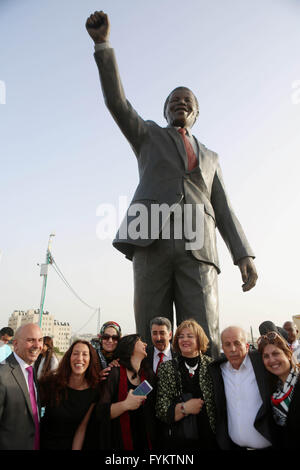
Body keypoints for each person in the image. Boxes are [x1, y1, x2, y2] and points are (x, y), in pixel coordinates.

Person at [85, 11, 258, 357]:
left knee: (202, 335)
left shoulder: (211, 157)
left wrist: (244, 255)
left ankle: (206, 407)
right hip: (151, 240)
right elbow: (117, 103)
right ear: (165, 111)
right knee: (152, 335)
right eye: (174, 100)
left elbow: (223, 209)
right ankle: (152, 406)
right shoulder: (148, 135)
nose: (181, 102)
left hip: (199, 245)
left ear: (195, 114)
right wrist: (103, 45)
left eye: (188, 101)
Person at [73, 334, 156, 450]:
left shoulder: (148, 375)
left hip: (144, 440)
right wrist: (126, 404)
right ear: (130, 347)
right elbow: (101, 411)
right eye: (140, 341)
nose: (145, 344)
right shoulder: (114, 373)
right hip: (119, 442)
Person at [209, 326, 275, 450]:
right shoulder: (217, 370)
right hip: (234, 447)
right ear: (222, 348)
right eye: (227, 344)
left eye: (237, 343)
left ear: (247, 345)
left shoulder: (263, 364)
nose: (233, 349)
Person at [156, 319, 217, 449]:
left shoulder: (212, 366)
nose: (184, 340)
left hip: (209, 438)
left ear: (199, 339)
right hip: (180, 440)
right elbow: (161, 409)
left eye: (190, 336)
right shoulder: (167, 368)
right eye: (181, 336)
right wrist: (185, 408)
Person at [39, 340, 101, 450]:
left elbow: (82, 428)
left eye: (85, 354)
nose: (80, 358)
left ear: (91, 360)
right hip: (43, 443)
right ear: (69, 357)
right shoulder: (51, 383)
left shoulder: (94, 390)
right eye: (75, 353)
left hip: (71, 444)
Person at [0, 323, 43, 450]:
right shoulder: (2, 375)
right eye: (30, 340)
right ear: (16, 344)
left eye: (40, 340)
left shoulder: (30, 369)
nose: (37, 345)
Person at [258, 331, 300, 449]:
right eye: (266, 356)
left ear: (288, 354)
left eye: (276, 353)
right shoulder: (273, 390)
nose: (271, 360)